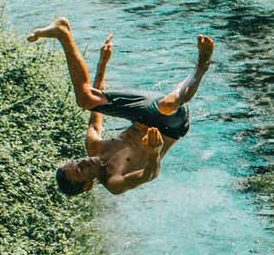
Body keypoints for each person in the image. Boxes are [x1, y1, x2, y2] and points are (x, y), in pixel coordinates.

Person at [28, 17, 213, 195]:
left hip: (142, 116)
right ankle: (201, 66)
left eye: (77, 162)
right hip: (171, 127)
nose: (83, 162)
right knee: (167, 104)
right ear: (87, 186)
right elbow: (149, 175)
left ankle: (62, 32)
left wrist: (103, 64)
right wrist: (154, 152)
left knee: (85, 100)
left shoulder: (94, 147)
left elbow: (95, 113)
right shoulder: (113, 182)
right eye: (80, 171)